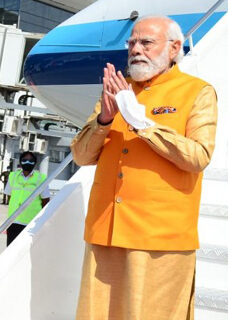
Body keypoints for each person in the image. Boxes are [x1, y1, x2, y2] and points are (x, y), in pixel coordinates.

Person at [70, 16, 217, 319]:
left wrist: (143, 124)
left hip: (159, 238)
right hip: (106, 232)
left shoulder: (197, 92)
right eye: (132, 43)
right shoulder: (117, 92)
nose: (136, 49)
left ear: (174, 48)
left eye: (146, 42)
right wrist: (104, 120)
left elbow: (199, 156)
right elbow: (81, 157)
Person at [4, 152, 50, 246]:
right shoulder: (13, 176)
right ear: (20, 162)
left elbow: (45, 201)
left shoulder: (41, 178)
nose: (27, 162)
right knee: (11, 250)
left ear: (35, 163)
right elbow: (9, 196)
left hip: (31, 223)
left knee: (26, 251)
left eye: (31, 161)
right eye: (24, 160)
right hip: (13, 221)